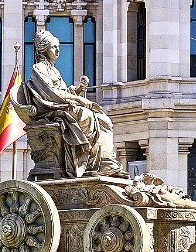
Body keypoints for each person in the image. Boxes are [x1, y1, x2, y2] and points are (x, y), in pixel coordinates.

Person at [25, 30, 128, 178]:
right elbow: (52, 94)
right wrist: (80, 100)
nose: (58, 50)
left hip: (63, 106)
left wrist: (77, 90)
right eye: (54, 47)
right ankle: (90, 162)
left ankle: (104, 161)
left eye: (58, 46)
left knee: (103, 119)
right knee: (88, 117)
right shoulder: (39, 68)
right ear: (44, 49)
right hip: (51, 110)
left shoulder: (53, 70)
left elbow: (62, 92)